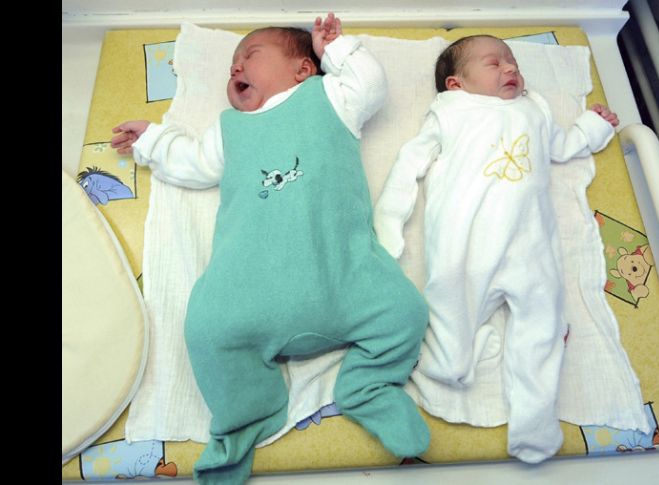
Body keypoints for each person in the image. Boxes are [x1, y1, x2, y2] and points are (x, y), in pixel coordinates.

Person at [112, 14, 430, 485]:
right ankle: (249, 413)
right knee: (206, 327)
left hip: (345, 280)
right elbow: (193, 163)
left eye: (250, 56)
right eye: (232, 63)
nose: (235, 67)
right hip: (250, 296)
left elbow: (371, 84)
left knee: (406, 313)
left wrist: (335, 49)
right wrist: (153, 140)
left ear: (302, 69)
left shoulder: (330, 97)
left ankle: (368, 385)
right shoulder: (230, 129)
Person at [373, 34, 619, 464]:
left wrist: (592, 127)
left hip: (532, 243)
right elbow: (409, 162)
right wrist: (388, 223)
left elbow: (561, 147)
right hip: (467, 239)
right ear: (456, 83)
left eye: (513, 62)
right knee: (450, 310)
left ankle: (535, 426)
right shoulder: (451, 111)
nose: (511, 69)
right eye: (495, 63)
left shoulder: (533, 108)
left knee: (543, 329)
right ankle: (445, 363)